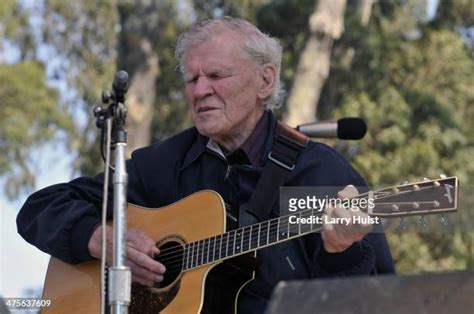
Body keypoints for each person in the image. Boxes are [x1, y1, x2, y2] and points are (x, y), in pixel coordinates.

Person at [17, 16, 394, 313]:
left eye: (215, 75)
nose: (199, 90)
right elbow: (39, 209)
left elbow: (373, 301)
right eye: (192, 79)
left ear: (265, 81)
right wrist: (101, 238)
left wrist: (341, 252)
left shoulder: (323, 174)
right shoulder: (166, 164)